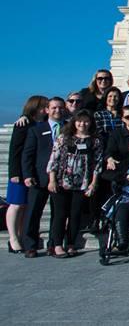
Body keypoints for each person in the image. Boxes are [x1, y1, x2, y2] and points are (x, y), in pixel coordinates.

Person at [46, 110, 101, 257]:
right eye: (79, 121)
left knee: (75, 214)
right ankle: (57, 244)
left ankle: (71, 243)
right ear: (74, 122)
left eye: (86, 121)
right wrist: (52, 180)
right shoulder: (64, 138)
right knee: (60, 214)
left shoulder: (95, 140)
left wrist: (93, 183)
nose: (82, 124)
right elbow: (54, 159)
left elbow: (98, 164)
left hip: (81, 183)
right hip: (61, 181)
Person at [22, 97, 66, 257]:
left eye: (61, 108)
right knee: (33, 212)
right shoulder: (36, 129)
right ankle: (30, 245)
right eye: (54, 108)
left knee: (58, 214)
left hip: (61, 178)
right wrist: (27, 175)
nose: (57, 110)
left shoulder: (68, 128)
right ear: (47, 110)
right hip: (39, 178)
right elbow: (27, 154)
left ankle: (53, 244)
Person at [6, 95, 48, 253]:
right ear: (35, 107)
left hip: (33, 170)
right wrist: (14, 172)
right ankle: (13, 238)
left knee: (25, 206)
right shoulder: (23, 124)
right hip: (19, 172)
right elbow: (14, 150)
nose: (46, 109)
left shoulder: (43, 124)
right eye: (44, 106)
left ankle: (22, 235)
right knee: (16, 205)